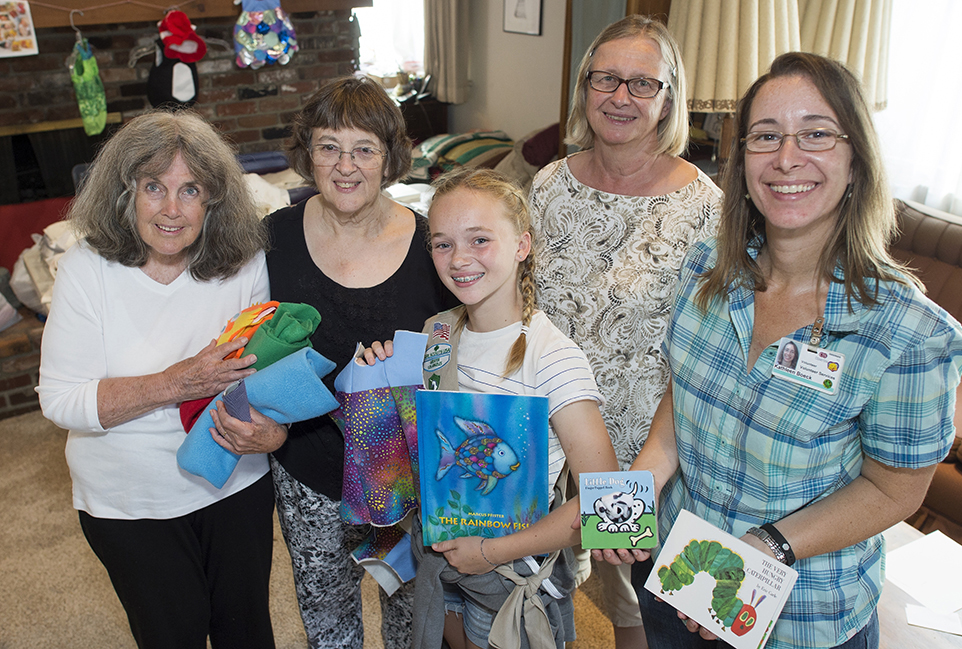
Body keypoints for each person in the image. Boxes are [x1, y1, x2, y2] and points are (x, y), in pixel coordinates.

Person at [626, 52, 962, 649]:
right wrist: (636, 494)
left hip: (800, 619)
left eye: (815, 133)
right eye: (766, 136)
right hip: (677, 577)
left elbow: (896, 490)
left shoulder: (910, 333)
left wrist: (769, 546)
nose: (787, 159)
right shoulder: (706, 268)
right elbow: (682, 400)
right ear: (743, 163)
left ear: (856, 160)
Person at [212, 75, 454, 649]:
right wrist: (260, 424)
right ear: (307, 154)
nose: (346, 166)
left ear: (390, 157)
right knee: (327, 622)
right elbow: (241, 343)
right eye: (329, 147)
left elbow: (456, 356)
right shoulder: (272, 240)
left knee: (407, 620)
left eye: (365, 149)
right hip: (305, 465)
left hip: (405, 477)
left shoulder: (431, 247)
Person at [37, 110, 277, 649]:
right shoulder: (86, 269)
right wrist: (177, 381)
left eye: (190, 189)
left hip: (235, 481)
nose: (172, 209)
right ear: (126, 192)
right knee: (173, 634)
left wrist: (273, 433)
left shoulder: (243, 260)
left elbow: (267, 375)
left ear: (214, 198)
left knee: (248, 633)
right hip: (129, 495)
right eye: (154, 187)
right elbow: (59, 400)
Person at [363, 168, 619, 649]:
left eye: (479, 239)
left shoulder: (553, 357)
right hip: (443, 563)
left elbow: (607, 504)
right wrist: (381, 378)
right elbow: (413, 441)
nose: (459, 259)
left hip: (509, 573)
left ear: (522, 245)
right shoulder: (438, 331)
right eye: (442, 244)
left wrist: (490, 551)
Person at [529, 14, 722, 648]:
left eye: (643, 84)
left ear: (670, 99)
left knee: (636, 612)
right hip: (547, 441)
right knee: (538, 589)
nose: (621, 97)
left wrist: (632, 483)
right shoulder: (549, 186)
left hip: (643, 457)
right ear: (584, 87)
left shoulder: (705, 209)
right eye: (606, 79)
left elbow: (708, 354)